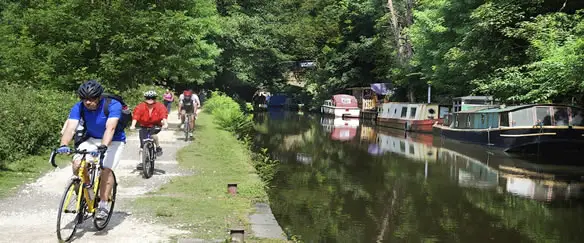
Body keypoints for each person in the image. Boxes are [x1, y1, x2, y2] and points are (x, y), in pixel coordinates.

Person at [57, 80, 126, 220]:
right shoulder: (79, 107)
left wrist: (104, 146)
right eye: (84, 99)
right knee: (77, 165)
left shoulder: (113, 105)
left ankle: (103, 204)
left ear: (99, 97)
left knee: (106, 168)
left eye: (92, 99)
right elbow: (71, 127)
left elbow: (110, 127)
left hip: (114, 140)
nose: (88, 102)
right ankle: (86, 193)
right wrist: (64, 144)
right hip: (92, 139)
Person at [129, 90, 169, 156]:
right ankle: (142, 161)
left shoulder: (160, 106)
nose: (150, 100)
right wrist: (133, 125)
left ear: (155, 99)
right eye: (148, 98)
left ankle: (158, 147)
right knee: (142, 144)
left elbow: (163, 115)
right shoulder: (140, 106)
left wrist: (165, 124)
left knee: (152, 135)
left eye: (152, 98)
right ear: (145, 98)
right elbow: (136, 116)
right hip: (144, 125)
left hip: (155, 124)